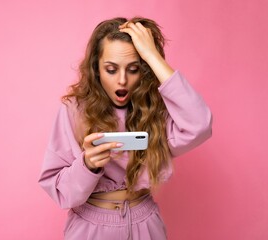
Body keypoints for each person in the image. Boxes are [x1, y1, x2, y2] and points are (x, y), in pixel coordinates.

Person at [38, 16, 212, 240]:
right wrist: (88, 165)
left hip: (146, 223)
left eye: (133, 69)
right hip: (91, 226)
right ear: (96, 69)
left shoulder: (158, 110)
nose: (122, 80)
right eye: (111, 69)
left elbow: (200, 125)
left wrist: (152, 55)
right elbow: (60, 191)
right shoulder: (74, 110)